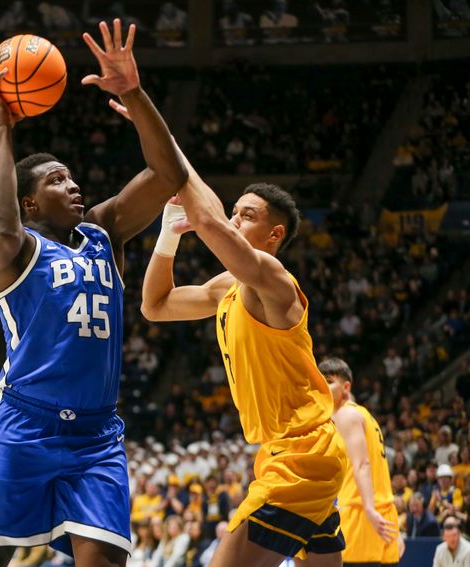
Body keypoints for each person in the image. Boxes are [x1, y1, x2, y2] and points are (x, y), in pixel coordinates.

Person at [0, 18, 187, 567]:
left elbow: (168, 172)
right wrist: (2, 130)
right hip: (23, 426)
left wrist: (132, 90)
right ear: (30, 203)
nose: (74, 185)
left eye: (73, 177)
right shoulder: (14, 252)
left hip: (96, 437)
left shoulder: (103, 234)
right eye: (57, 180)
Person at [132, 98, 347, 563]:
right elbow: (155, 306)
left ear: (274, 235)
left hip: (301, 456)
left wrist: (158, 134)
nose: (233, 219)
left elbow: (207, 220)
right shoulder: (226, 288)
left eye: (247, 215)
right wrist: (168, 238)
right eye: (235, 210)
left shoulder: (274, 281)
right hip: (289, 451)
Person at [319, 357, 401, 566]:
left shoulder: (345, 416)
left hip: (361, 514)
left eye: (328, 381)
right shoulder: (364, 415)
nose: (321, 386)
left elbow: (362, 464)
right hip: (384, 514)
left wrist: (369, 510)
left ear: (346, 387)